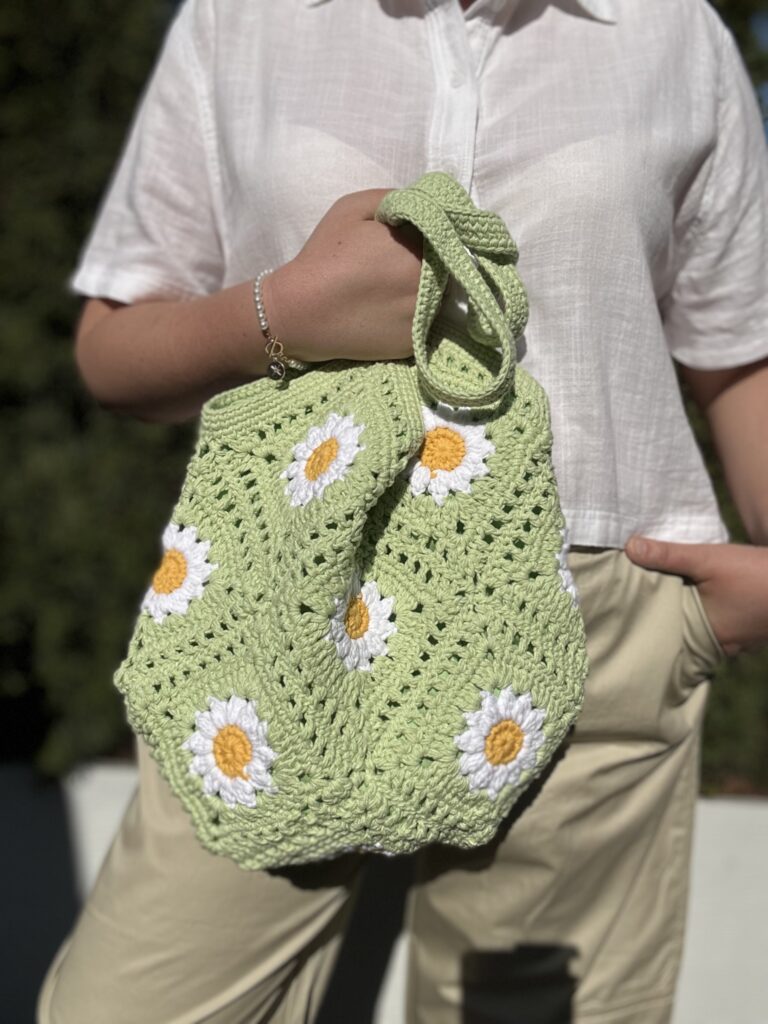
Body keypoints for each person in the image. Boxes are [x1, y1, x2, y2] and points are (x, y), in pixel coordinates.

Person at [38, 0, 768, 1022]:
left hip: (590, 606)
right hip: (282, 600)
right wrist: (281, 314)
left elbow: (739, 348)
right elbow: (113, 348)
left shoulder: (671, 31)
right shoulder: (237, 22)